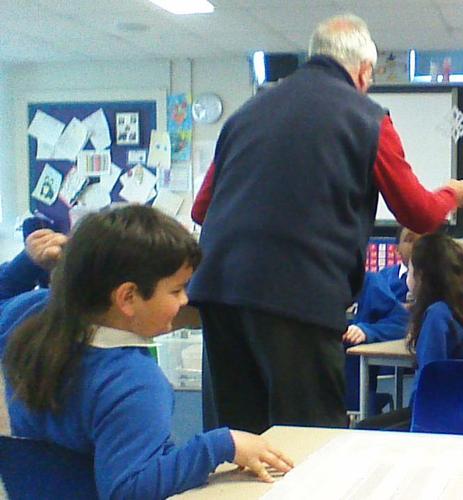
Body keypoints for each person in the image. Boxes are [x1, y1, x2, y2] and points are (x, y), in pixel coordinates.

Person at [187, 14, 463, 434]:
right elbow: (419, 215)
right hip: (299, 296)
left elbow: (201, 210)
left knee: (236, 438)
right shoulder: (367, 118)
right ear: (364, 70)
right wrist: (451, 194)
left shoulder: (247, 113)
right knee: (308, 435)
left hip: (218, 292)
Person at [1, 206, 293, 499]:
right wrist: (222, 445)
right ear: (128, 297)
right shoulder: (133, 381)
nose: (185, 300)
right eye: (176, 290)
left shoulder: (32, 314)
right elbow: (129, 490)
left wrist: (26, 265)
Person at [356, 232, 463, 430]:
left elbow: (427, 382)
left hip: (449, 416)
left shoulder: (437, 315)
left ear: (421, 276)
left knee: (363, 430)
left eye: (410, 269)